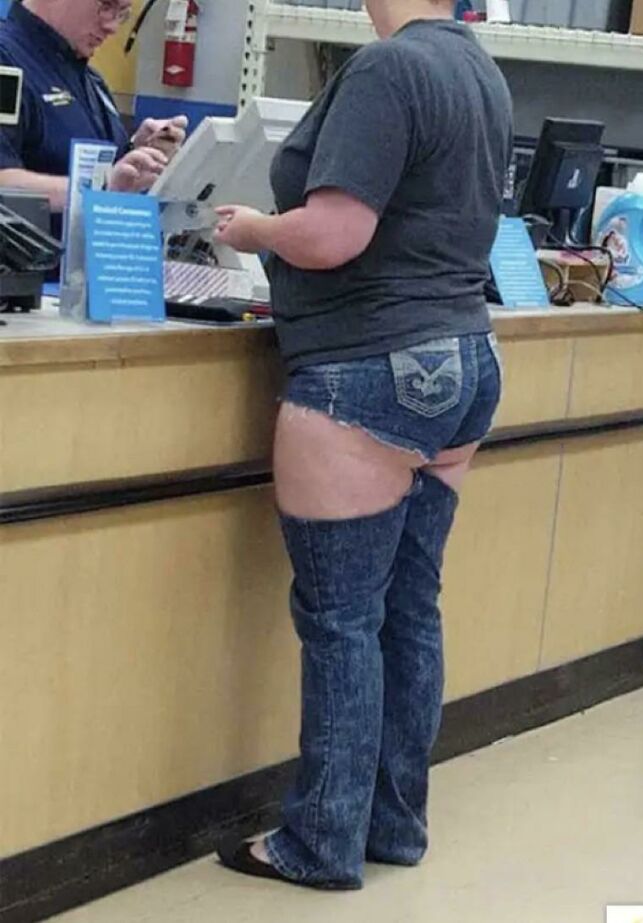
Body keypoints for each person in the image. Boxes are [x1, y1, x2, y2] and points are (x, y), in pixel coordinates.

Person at [214, 0, 513, 892]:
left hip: (367, 363)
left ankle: (319, 843)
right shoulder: (477, 68)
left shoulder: (388, 70)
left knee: (343, 619)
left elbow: (336, 234)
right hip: (464, 357)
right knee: (409, 607)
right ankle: (394, 824)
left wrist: (252, 229)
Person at [0, 0, 187, 240]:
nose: (112, 26)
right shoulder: (7, 60)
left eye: (123, 14)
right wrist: (99, 188)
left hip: (88, 269)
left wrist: (135, 155)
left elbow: (105, 174)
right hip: (27, 273)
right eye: (106, 5)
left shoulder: (90, 80)